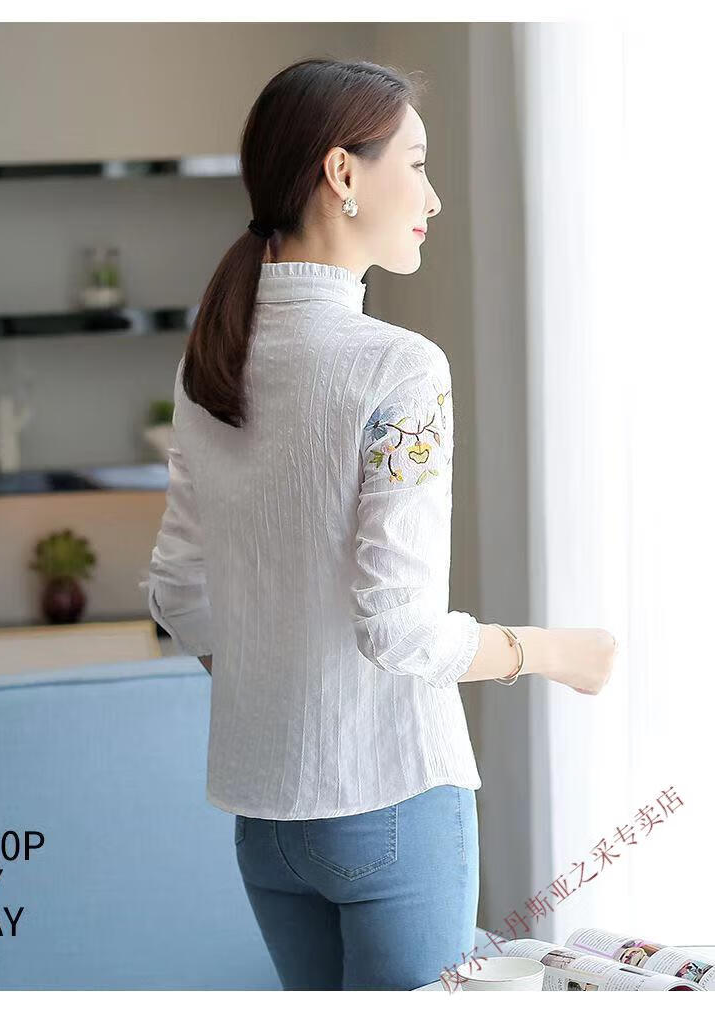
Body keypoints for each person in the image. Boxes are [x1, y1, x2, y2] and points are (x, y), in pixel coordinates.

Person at [141, 57, 617, 991]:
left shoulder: (211, 363)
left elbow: (176, 592)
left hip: (265, 821)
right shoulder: (400, 368)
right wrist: (556, 651)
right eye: (419, 164)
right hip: (393, 800)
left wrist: (279, 685)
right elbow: (398, 628)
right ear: (342, 172)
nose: (432, 197)